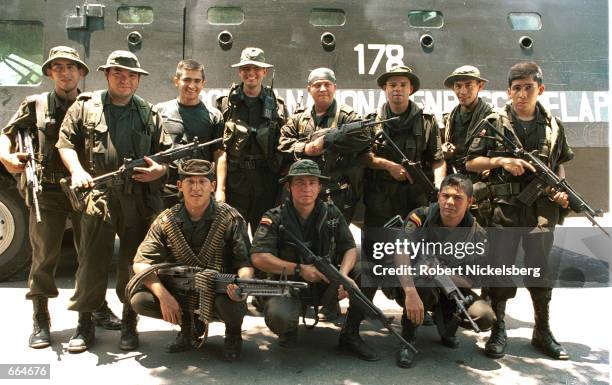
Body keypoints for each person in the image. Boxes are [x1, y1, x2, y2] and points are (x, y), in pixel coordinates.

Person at [0, 46, 121, 349]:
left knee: (90, 256)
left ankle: (89, 316)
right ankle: (41, 319)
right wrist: (7, 158)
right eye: (58, 67)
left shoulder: (94, 104)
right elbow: (7, 133)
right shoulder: (36, 104)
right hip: (48, 191)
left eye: (70, 67)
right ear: (50, 72)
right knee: (43, 257)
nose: (64, 73)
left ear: (81, 72)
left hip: (84, 190)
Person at [56, 50, 172, 353]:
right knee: (91, 264)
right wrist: (78, 169)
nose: (125, 79)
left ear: (138, 79)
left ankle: (129, 324)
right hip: (99, 197)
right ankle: (85, 324)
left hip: (138, 201)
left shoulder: (148, 112)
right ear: (106, 74)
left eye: (131, 75)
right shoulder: (86, 107)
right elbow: (65, 143)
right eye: (118, 73)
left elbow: (166, 156)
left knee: (132, 265)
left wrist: (159, 171)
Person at [466, 61, 573, 360]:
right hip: (505, 210)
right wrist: (500, 162)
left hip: (541, 210)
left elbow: (558, 163)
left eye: (528, 88)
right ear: (508, 91)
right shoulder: (494, 123)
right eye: (517, 88)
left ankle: (542, 331)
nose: (522, 94)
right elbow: (470, 162)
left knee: (540, 270)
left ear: (540, 89)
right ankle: (499, 330)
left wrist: (561, 189)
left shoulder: (553, 125)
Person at [250, 159, 378, 361]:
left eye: (311, 182)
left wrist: (343, 276)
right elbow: (258, 257)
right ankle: (288, 329)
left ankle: (350, 334)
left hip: (326, 285)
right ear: (289, 186)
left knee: (369, 268)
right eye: (299, 182)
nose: (306, 188)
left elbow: (350, 248)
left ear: (319, 187)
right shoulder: (275, 217)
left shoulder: (332, 212)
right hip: (289, 285)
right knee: (280, 316)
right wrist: (299, 269)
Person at [131, 159, 252, 361]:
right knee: (141, 300)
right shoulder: (167, 219)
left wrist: (243, 286)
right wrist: (164, 296)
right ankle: (188, 328)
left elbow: (245, 262)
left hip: (219, 289)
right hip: (183, 289)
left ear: (212, 186)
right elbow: (140, 263)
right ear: (180, 186)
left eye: (202, 182)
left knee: (232, 305)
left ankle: (233, 333)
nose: (196, 188)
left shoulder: (230, 218)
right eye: (190, 182)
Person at [392, 173, 495, 368]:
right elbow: (401, 251)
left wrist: (442, 274)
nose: (449, 202)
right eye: (445, 195)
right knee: (422, 283)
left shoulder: (477, 234)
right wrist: (410, 291)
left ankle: (446, 326)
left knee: (484, 316)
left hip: (452, 287)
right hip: (417, 283)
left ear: (470, 201)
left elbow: (473, 280)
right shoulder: (420, 217)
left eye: (458, 198)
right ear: (438, 196)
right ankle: (408, 338)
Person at [278, 67, 370, 223]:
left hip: (337, 193)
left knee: (333, 241)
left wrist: (328, 141)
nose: (322, 89)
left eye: (327, 84)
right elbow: (283, 142)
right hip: (303, 193)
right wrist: (305, 148)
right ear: (309, 89)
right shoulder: (299, 118)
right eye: (317, 85)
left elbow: (364, 138)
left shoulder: (346, 117)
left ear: (334, 87)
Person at [362, 65, 446, 228]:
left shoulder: (426, 120)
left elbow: (438, 160)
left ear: (411, 88)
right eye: (392, 85)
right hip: (380, 199)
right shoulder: (372, 121)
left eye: (403, 85)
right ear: (384, 88)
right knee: (377, 250)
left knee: (414, 250)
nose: (397, 89)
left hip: (415, 198)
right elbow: (364, 156)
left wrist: (438, 186)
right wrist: (388, 166)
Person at [216, 47, 288, 235]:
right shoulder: (225, 104)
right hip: (235, 184)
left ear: (264, 72)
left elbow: (285, 145)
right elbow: (219, 150)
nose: (251, 73)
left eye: (256, 68)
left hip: (266, 184)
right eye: (246, 68)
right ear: (240, 71)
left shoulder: (277, 106)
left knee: (264, 240)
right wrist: (220, 188)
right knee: (233, 238)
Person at [155, 59, 224, 206]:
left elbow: (219, 155)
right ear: (176, 81)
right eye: (186, 80)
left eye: (197, 81)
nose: (192, 85)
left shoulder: (214, 115)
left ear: (203, 83)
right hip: (167, 189)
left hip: (200, 190)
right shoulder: (159, 112)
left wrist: (220, 190)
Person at [441, 65, 494, 176]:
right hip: (454, 177)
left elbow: (500, 154)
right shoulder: (449, 119)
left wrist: (489, 168)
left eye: (468, 85)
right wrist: (443, 152)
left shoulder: (492, 118)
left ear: (480, 86)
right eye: (458, 86)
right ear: (453, 88)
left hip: (479, 180)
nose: (463, 91)